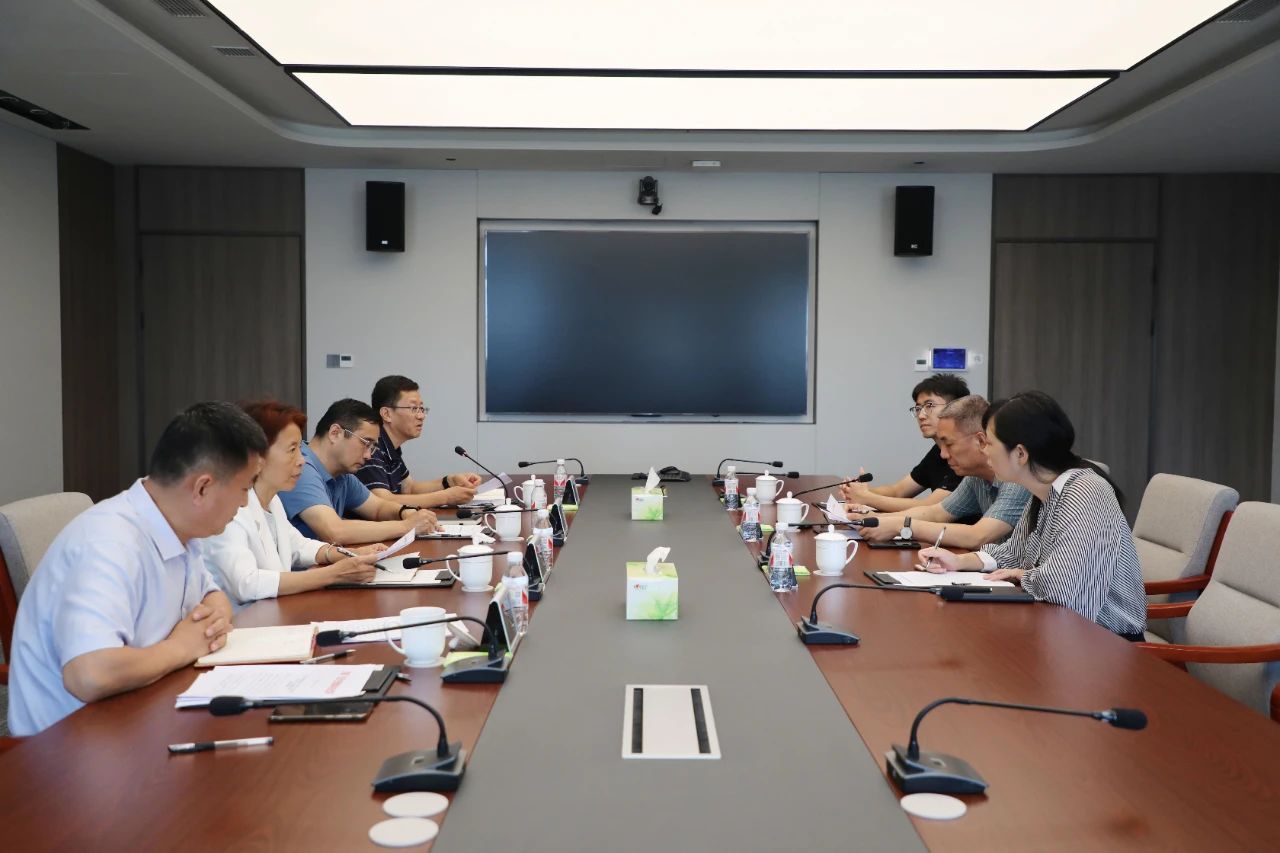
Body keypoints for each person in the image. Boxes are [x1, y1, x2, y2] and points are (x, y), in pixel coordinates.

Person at [7, 402, 263, 736]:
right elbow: (90, 674)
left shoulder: (178, 524)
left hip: (141, 711)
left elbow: (212, 595)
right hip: (68, 745)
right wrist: (182, 647)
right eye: (244, 488)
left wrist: (213, 615)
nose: (245, 503)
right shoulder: (110, 543)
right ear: (202, 488)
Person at [918, 391, 1146, 639]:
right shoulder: (1043, 491)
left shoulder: (1085, 492)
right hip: (1060, 630)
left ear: (1020, 454)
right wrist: (959, 561)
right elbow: (1013, 553)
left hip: (1105, 641)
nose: (985, 452)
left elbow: (1061, 588)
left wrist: (1024, 575)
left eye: (990, 444)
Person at [199, 401, 383, 606]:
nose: (301, 460)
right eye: (292, 450)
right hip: (242, 621)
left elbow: (298, 546)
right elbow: (247, 583)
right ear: (257, 455)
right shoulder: (229, 508)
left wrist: (346, 555)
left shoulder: (272, 500)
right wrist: (333, 574)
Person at [857, 395, 1031, 549]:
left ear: (980, 441)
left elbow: (978, 536)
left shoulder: (1016, 477)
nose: (943, 454)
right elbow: (937, 513)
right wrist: (876, 519)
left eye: (949, 444)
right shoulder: (975, 478)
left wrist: (901, 525)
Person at [278, 398, 439, 544]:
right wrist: (406, 526)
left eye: (372, 447)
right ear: (335, 433)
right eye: (365, 443)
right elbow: (334, 531)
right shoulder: (301, 467)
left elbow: (378, 508)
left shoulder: (343, 475)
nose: (369, 455)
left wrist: (405, 512)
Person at [841, 373, 968, 513]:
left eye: (929, 405)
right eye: (918, 408)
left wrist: (866, 497)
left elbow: (931, 507)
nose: (921, 415)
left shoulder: (965, 454)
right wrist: (859, 491)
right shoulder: (937, 451)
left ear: (955, 408)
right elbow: (898, 491)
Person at [356, 375, 482, 508]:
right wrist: (446, 497)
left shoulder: (390, 446)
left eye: (421, 408)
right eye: (413, 408)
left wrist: (449, 481)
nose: (421, 416)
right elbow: (382, 501)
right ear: (387, 414)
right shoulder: (371, 448)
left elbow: (409, 488)